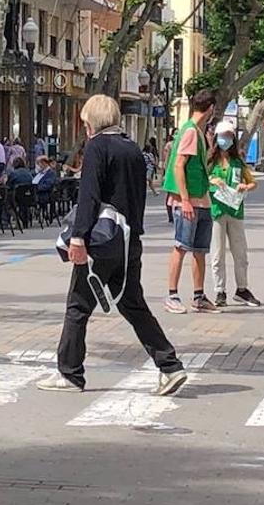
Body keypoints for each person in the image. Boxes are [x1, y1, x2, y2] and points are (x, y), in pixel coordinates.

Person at [38, 94, 187, 396]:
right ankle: (169, 365)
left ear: (92, 121)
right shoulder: (132, 148)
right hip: (130, 240)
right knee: (132, 303)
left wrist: (78, 237)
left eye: (84, 123)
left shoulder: (97, 147)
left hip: (102, 240)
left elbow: (89, 196)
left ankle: (70, 374)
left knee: (78, 305)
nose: (84, 129)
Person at [161, 89, 219, 314]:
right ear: (210, 109)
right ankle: (172, 295)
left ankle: (199, 295)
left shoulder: (199, 132)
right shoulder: (190, 132)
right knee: (181, 246)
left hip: (202, 200)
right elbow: (178, 165)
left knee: (199, 249)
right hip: (188, 202)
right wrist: (184, 200)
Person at [208, 120, 260, 307]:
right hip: (216, 212)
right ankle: (219, 291)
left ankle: (242, 289)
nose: (226, 139)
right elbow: (200, 182)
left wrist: (245, 186)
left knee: (240, 252)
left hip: (235, 210)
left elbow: (253, 183)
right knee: (217, 254)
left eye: (229, 136)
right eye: (223, 136)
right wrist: (212, 182)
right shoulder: (209, 161)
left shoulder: (238, 161)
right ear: (216, 138)